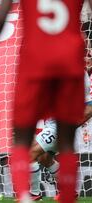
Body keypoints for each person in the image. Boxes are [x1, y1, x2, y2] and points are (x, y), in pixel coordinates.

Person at [0, 1, 92, 202]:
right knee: (60, 148)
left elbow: (2, 15)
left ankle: (28, 195)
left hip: (35, 59)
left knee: (23, 144)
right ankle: (68, 195)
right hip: (69, 59)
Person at [28, 71, 92, 201]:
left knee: (31, 153)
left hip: (61, 125)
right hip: (51, 123)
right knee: (44, 158)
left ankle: (33, 194)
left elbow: (90, 107)